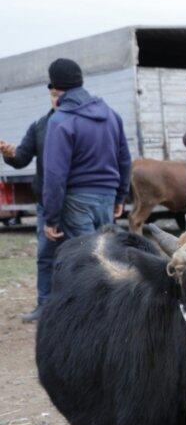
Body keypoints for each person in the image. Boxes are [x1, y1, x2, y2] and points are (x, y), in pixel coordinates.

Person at [42, 58, 131, 243]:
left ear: (54, 86)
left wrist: (51, 218)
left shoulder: (60, 120)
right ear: (80, 80)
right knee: (105, 252)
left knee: (85, 256)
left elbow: (55, 174)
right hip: (107, 196)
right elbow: (124, 160)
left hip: (77, 201)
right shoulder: (112, 115)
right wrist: (120, 197)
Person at [0, 95, 58, 322]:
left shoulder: (78, 122)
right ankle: (44, 305)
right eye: (53, 94)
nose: (56, 98)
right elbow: (22, 157)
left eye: (59, 93)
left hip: (74, 200)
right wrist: (10, 153)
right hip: (46, 200)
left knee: (81, 254)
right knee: (45, 255)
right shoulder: (40, 126)